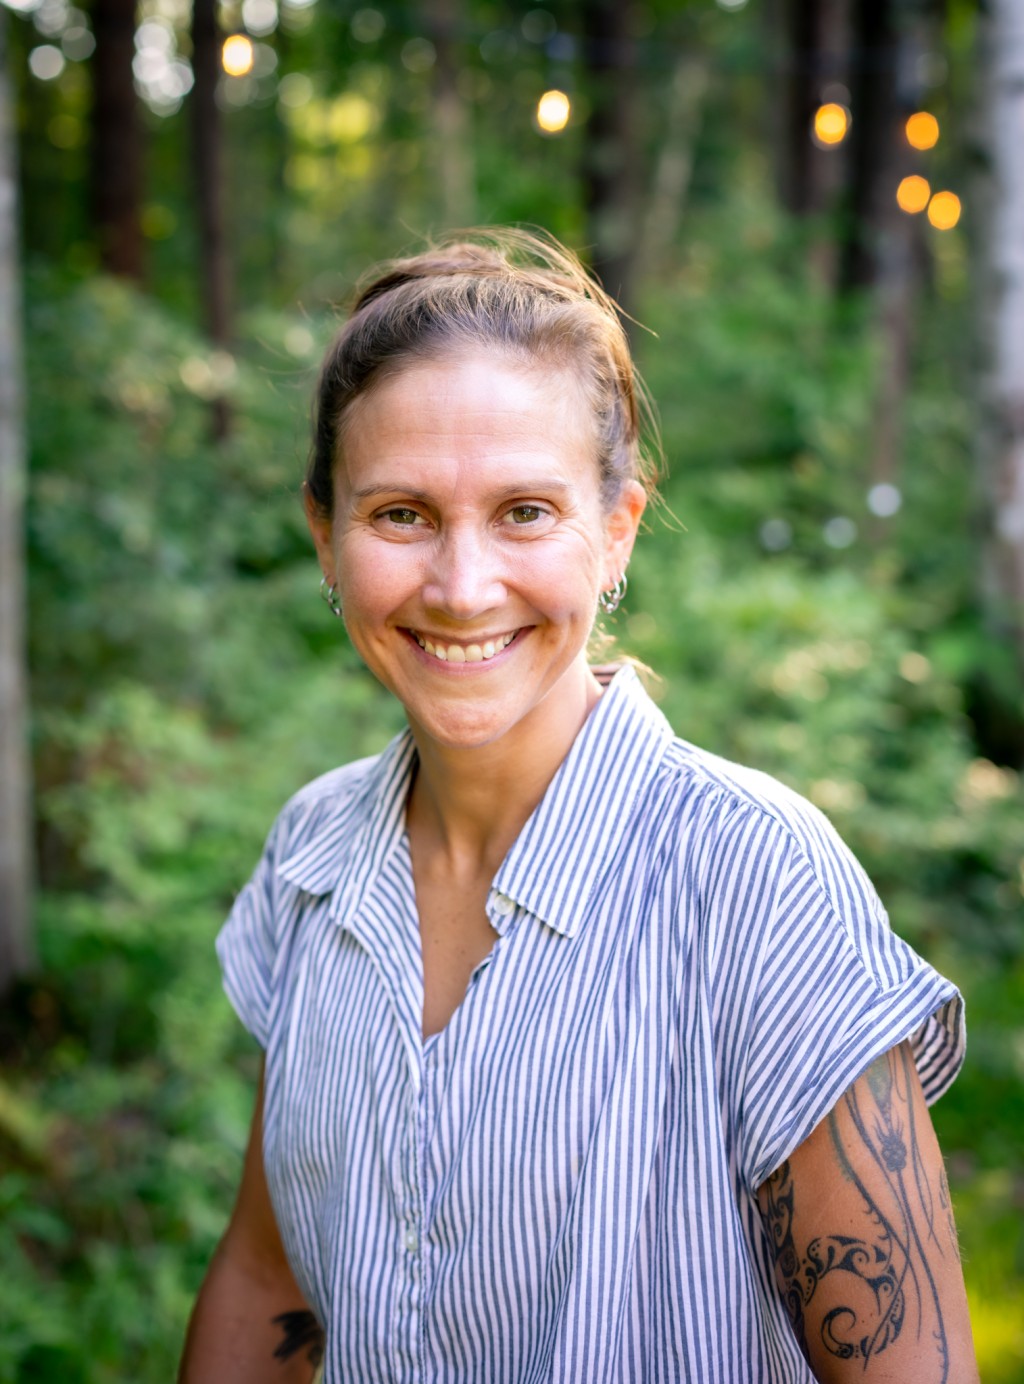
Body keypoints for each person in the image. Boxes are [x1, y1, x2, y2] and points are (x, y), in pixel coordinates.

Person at [179, 228, 979, 1383]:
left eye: (524, 512)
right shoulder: (311, 857)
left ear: (616, 532)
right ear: (326, 534)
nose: (460, 587)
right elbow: (269, 1278)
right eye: (401, 513)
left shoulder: (756, 879)